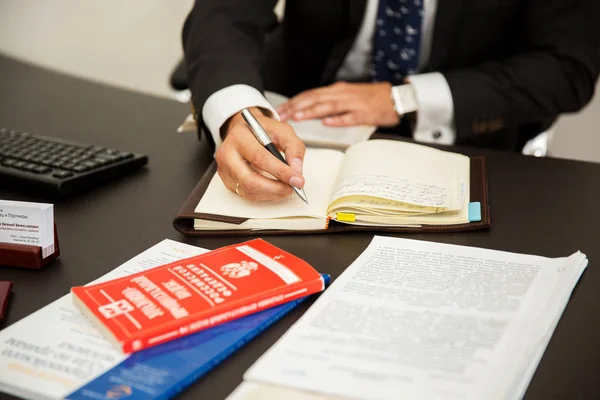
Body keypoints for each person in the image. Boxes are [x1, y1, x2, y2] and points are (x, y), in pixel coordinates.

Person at [182, 0, 600, 202]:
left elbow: (566, 68)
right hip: (295, 113)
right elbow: (223, 13)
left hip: (457, 131)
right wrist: (240, 111)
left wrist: (406, 97)